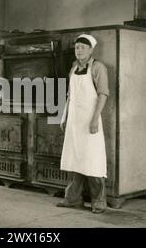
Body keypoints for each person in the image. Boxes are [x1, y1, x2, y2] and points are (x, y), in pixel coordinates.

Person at [57, 34, 109, 214]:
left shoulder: (98, 67)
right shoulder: (73, 67)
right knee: (73, 159)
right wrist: (64, 116)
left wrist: (95, 119)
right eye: (77, 47)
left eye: (82, 47)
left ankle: (99, 203)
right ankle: (72, 199)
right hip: (74, 120)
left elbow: (103, 94)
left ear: (91, 50)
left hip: (90, 120)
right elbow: (70, 96)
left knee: (93, 160)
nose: (79, 51)